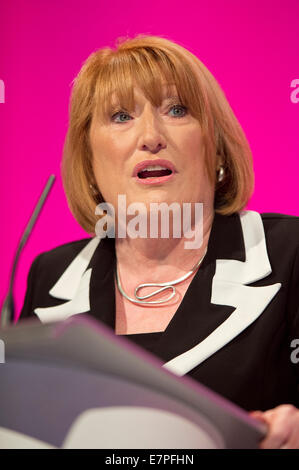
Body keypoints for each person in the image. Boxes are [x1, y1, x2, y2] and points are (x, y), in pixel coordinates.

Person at [20, 34, 299, 448]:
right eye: (120, 116)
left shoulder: (289, 253)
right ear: (90, 162)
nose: (150, 136)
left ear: (216, 149)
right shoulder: (51, 278)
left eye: (176, 109)